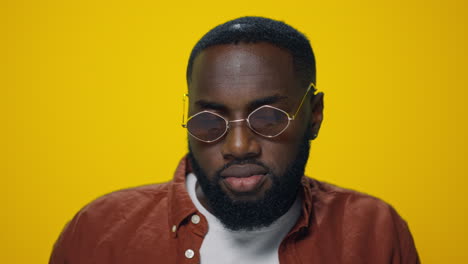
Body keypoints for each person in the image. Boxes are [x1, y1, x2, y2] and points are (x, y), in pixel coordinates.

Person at [50, 16, 420, 264]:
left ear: (315, 114)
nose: (239, 146)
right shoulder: (100, 232)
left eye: (270, 117)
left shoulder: (373, 231)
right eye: (210, 120)